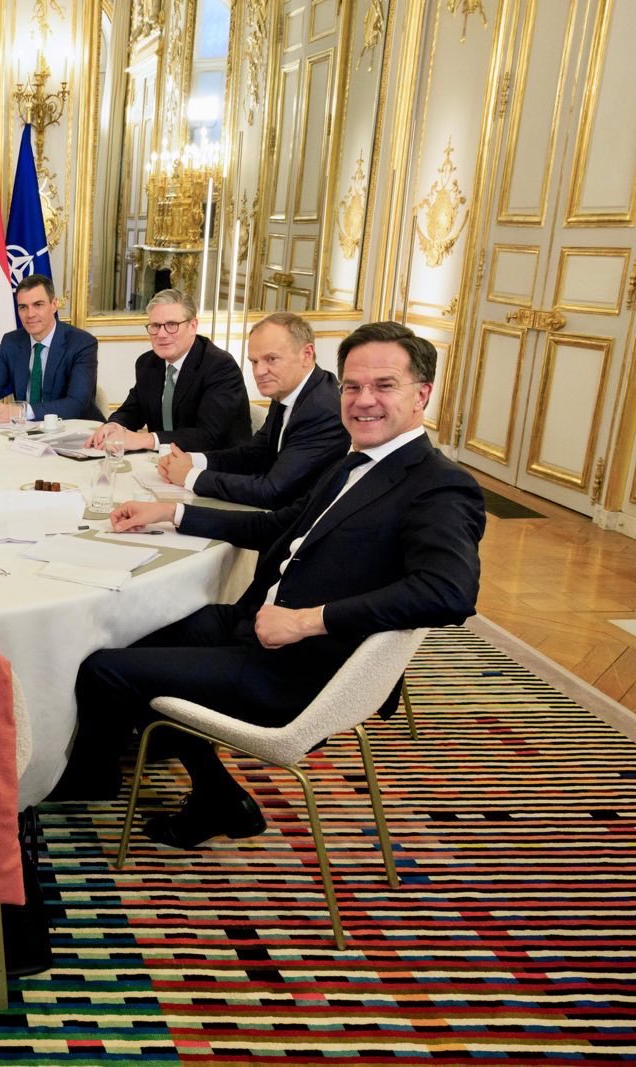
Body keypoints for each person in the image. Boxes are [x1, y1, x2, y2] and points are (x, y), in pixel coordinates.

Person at [64, 321, 485, 849]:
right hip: (257, 623)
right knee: (130, 630)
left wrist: (308, 620)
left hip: (299, 664)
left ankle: (94, 780)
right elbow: (275, 527)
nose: (362, 401)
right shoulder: (356, 461)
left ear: (422, 393)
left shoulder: (439, 486)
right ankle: (205, 787)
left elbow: (448, 593)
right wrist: (171, 513)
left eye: (384, 385)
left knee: (103, 668)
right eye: (353, 386)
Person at [154, 312, 349, 508]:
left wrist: (191, 476)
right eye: (254, 362)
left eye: (271, 359)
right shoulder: (288, 389)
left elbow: (272, 491)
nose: (259, 371)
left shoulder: (322, 411)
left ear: (306, 355)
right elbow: (253, 455)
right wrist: (193, 460)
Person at [89, 288, 250, 451]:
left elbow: (208, 436)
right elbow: (133, 409)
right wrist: (114, 425)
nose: (162, 334)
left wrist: (146, 439)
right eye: (155, 326)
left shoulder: (220, 366)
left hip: (215, 468)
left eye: (172, 325)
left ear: (193, 326)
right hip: (163, 463)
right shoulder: (148, 362)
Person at [0, 274, 102, 423]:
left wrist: (23, 411)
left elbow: (77, 404)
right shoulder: (11, 341)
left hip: (74, 432)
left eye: (38, 305)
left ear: (54, 305)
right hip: (26, 435)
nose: (30, 314)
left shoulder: (82, 343)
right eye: (23, 307)